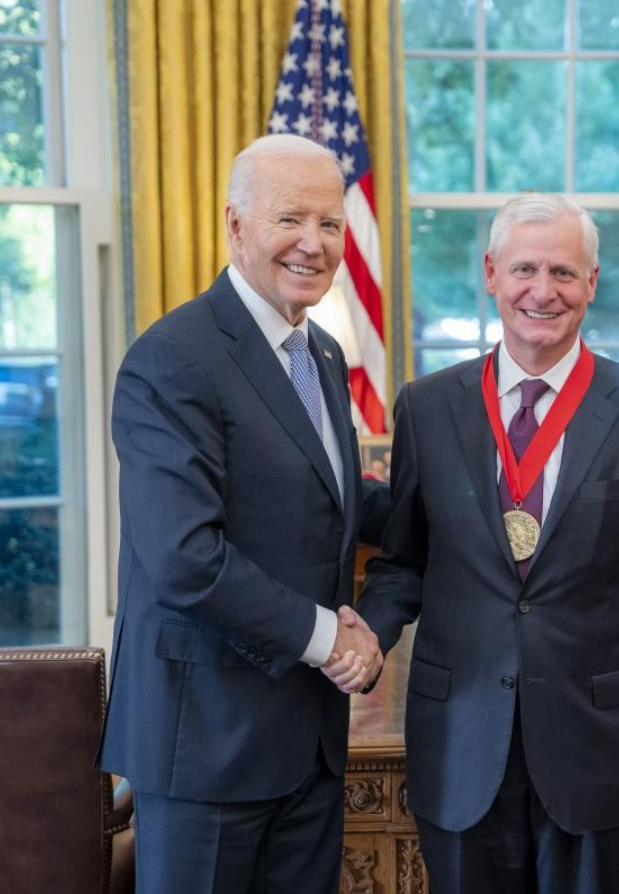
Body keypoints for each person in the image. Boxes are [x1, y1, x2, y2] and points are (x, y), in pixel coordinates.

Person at [339, 193, 619, 894]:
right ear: (492, 273)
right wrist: (368, 635)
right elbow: (404, 562)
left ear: (591, 284)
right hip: (461, 738)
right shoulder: (428, 406)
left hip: (599, 745)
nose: (543, 290)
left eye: (564, 272)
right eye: (525, 269)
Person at [101, 133, 388, 894]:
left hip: (306, 742)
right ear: (235, 225)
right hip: (206, 742)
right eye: (291, 218)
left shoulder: (320, 354)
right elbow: (185, 558)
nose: (315, 243)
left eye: (331, 224)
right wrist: (332, 639)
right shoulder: (174, 358)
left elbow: (330, 502)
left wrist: (485, 502)